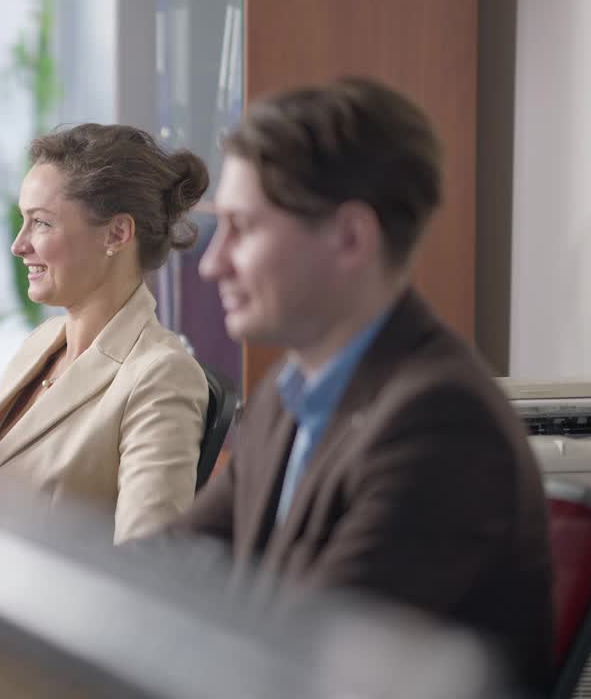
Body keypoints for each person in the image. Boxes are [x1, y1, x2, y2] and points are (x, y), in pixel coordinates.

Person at [170, 77, 551, 692]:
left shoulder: (442, 424)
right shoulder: (284, 396)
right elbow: (178, 558)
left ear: (350, 238)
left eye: (242, 228)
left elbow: (300, 663)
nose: (213, 262)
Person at [0, 124, 211, 544]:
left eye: (41, 223)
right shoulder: (42, 344)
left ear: (117, 234)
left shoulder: (161, 376)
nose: (18, 245)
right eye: (24, 222)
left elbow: (147, 570)